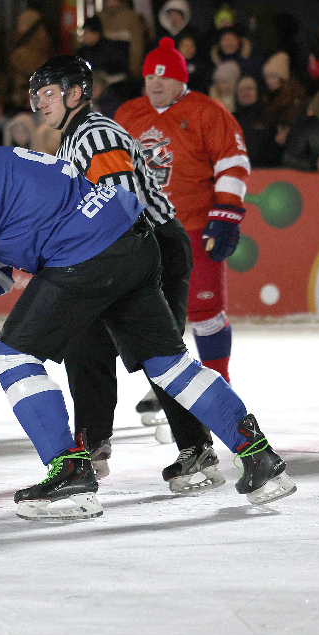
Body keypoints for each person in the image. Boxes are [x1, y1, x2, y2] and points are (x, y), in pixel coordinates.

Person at [0, 113, 295, 520]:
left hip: (83, 258)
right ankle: (257, 456)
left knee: (11, 358)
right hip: (132, 245)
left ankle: (70, 471)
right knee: (168, 362)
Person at [29, 55, 217, 492]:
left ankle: (197, 448)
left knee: (158, 354)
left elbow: (121, 206)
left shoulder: (94, 134)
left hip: (144, 249)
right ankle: (91, 447)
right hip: (119, 250)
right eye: (37, 96)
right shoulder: (76, 137)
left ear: (76, 93)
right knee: (84, 344)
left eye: (49, 94)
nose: (41, 104)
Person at [115, 37, 250, 417]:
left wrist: (225, 213)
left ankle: (217, 383)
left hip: (193, 227)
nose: (155, 84)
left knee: (205, 312)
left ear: (181, 80)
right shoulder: (128, 114)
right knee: (154, 315)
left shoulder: (207, 112)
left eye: (164, 78)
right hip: (143, 230)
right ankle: (168, 386)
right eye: (149, 78)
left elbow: (233, 163)